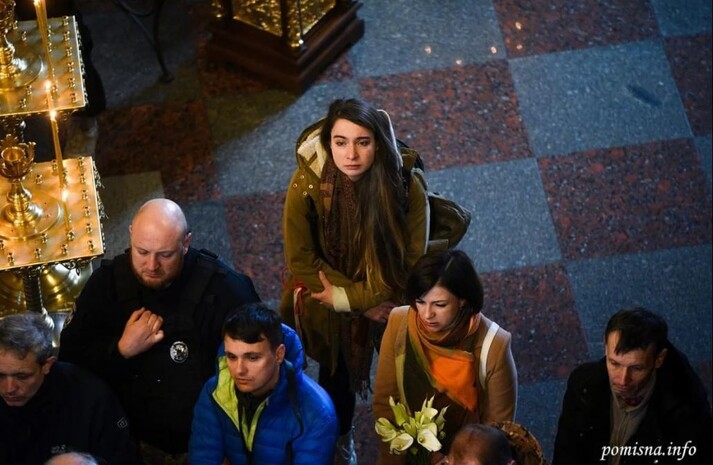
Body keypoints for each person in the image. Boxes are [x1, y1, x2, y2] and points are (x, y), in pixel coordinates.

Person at [280, 98, 429, 463]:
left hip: (390, 298)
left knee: (408, 376)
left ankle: (415, 449)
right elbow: (302, 260)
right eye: (340, 142)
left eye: (363, 142)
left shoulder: (404, 182)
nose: (351, 154)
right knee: (337, 378)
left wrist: (352, 299)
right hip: (338, 301)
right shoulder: (308, 184)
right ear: (328, 143)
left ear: (377, 143)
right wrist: (361, 304)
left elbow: (410, 261)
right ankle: (340, 443)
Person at [58, 198, 261, 464]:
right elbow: (70, 363)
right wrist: (120, 350)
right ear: (131, 234)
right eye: (142, 252)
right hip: (131, 439)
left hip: (208, 443)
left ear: (186, 243)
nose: (152, 266)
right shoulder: (105, 286)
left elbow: (263, 363)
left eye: (165, 255)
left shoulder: (225, 289)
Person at [373, 249, 518, 465]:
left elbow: (497, 429)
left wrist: (453, 459)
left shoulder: (494, 345)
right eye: (420, 302)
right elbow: (386, 401)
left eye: (439, 305)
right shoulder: (399, 322)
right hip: (406, 452)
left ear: (462, 301)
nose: (426, 314)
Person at [553, 307, 712, 465]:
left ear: (659, 359)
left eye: (637, 368)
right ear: (605, 346)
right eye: (614, 364)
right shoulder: (582, 385)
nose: (623, 380)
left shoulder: (688, 407)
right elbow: (566, 455)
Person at [189, 302, 338, 465]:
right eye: (232, 357)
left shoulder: (316, 412)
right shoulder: (215, 391)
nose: (239, 370)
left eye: (252, 358)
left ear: (279, 354)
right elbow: (203, 457)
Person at [0, 313, 140, 465]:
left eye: (22, 376)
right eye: (0, 376)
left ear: (47, 365)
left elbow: (124, 458)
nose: (9, 389)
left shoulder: (89, 397)